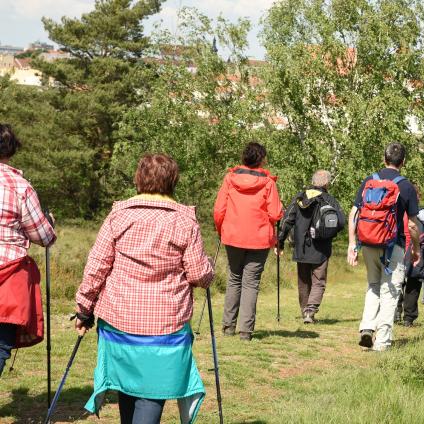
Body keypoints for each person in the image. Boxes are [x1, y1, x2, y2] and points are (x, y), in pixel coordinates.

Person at [75, 154, 214, 423]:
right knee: (152, 390)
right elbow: (198, 274)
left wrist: (84, 309)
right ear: (173, 181)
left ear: (139, 179)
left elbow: (96, 266)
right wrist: (209, 268)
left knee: (128, 384)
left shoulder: (119, 216)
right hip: (166, 325)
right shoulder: (185, 222)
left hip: (119, 320)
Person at [348, 143, 420, 351]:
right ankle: (382, 341)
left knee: (373, 285)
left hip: (368, 242)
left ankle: (367, 327)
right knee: (390, 291)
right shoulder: (406, 186)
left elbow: (354, 213)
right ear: (403, 162)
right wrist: (416, 249)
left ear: (384, 158)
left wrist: (353, 244)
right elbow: (413, 225)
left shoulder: (370, 180)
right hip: (393, 245)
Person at [0, 124, 57, 377]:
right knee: (0, 343)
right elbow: (43, 237)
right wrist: (50, 224)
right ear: (11, 149)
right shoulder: (20, 187)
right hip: (8, 278)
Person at [214, 142, 283, 341]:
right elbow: (276, 213)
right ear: (261, 159)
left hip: (233, 236)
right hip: (259, 238)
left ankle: (228, 326)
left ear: (244, 158)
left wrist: (221, 230)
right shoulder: (268, 183)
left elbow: (219, 210)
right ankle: (245, 331)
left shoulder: (230, 178)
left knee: (234, 278)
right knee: (251, 283)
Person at [277, 170, 345, 324]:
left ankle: (305, 311)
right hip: (321, 247)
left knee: (303, 280)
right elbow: (341, 222)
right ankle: (310, 311)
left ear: (313, 181)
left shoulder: (300, 197)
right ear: (327, 183)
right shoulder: (329, 199)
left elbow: (287, 220)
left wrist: (279, 242)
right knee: (318, 280)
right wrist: (329, 234)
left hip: (301, 246)